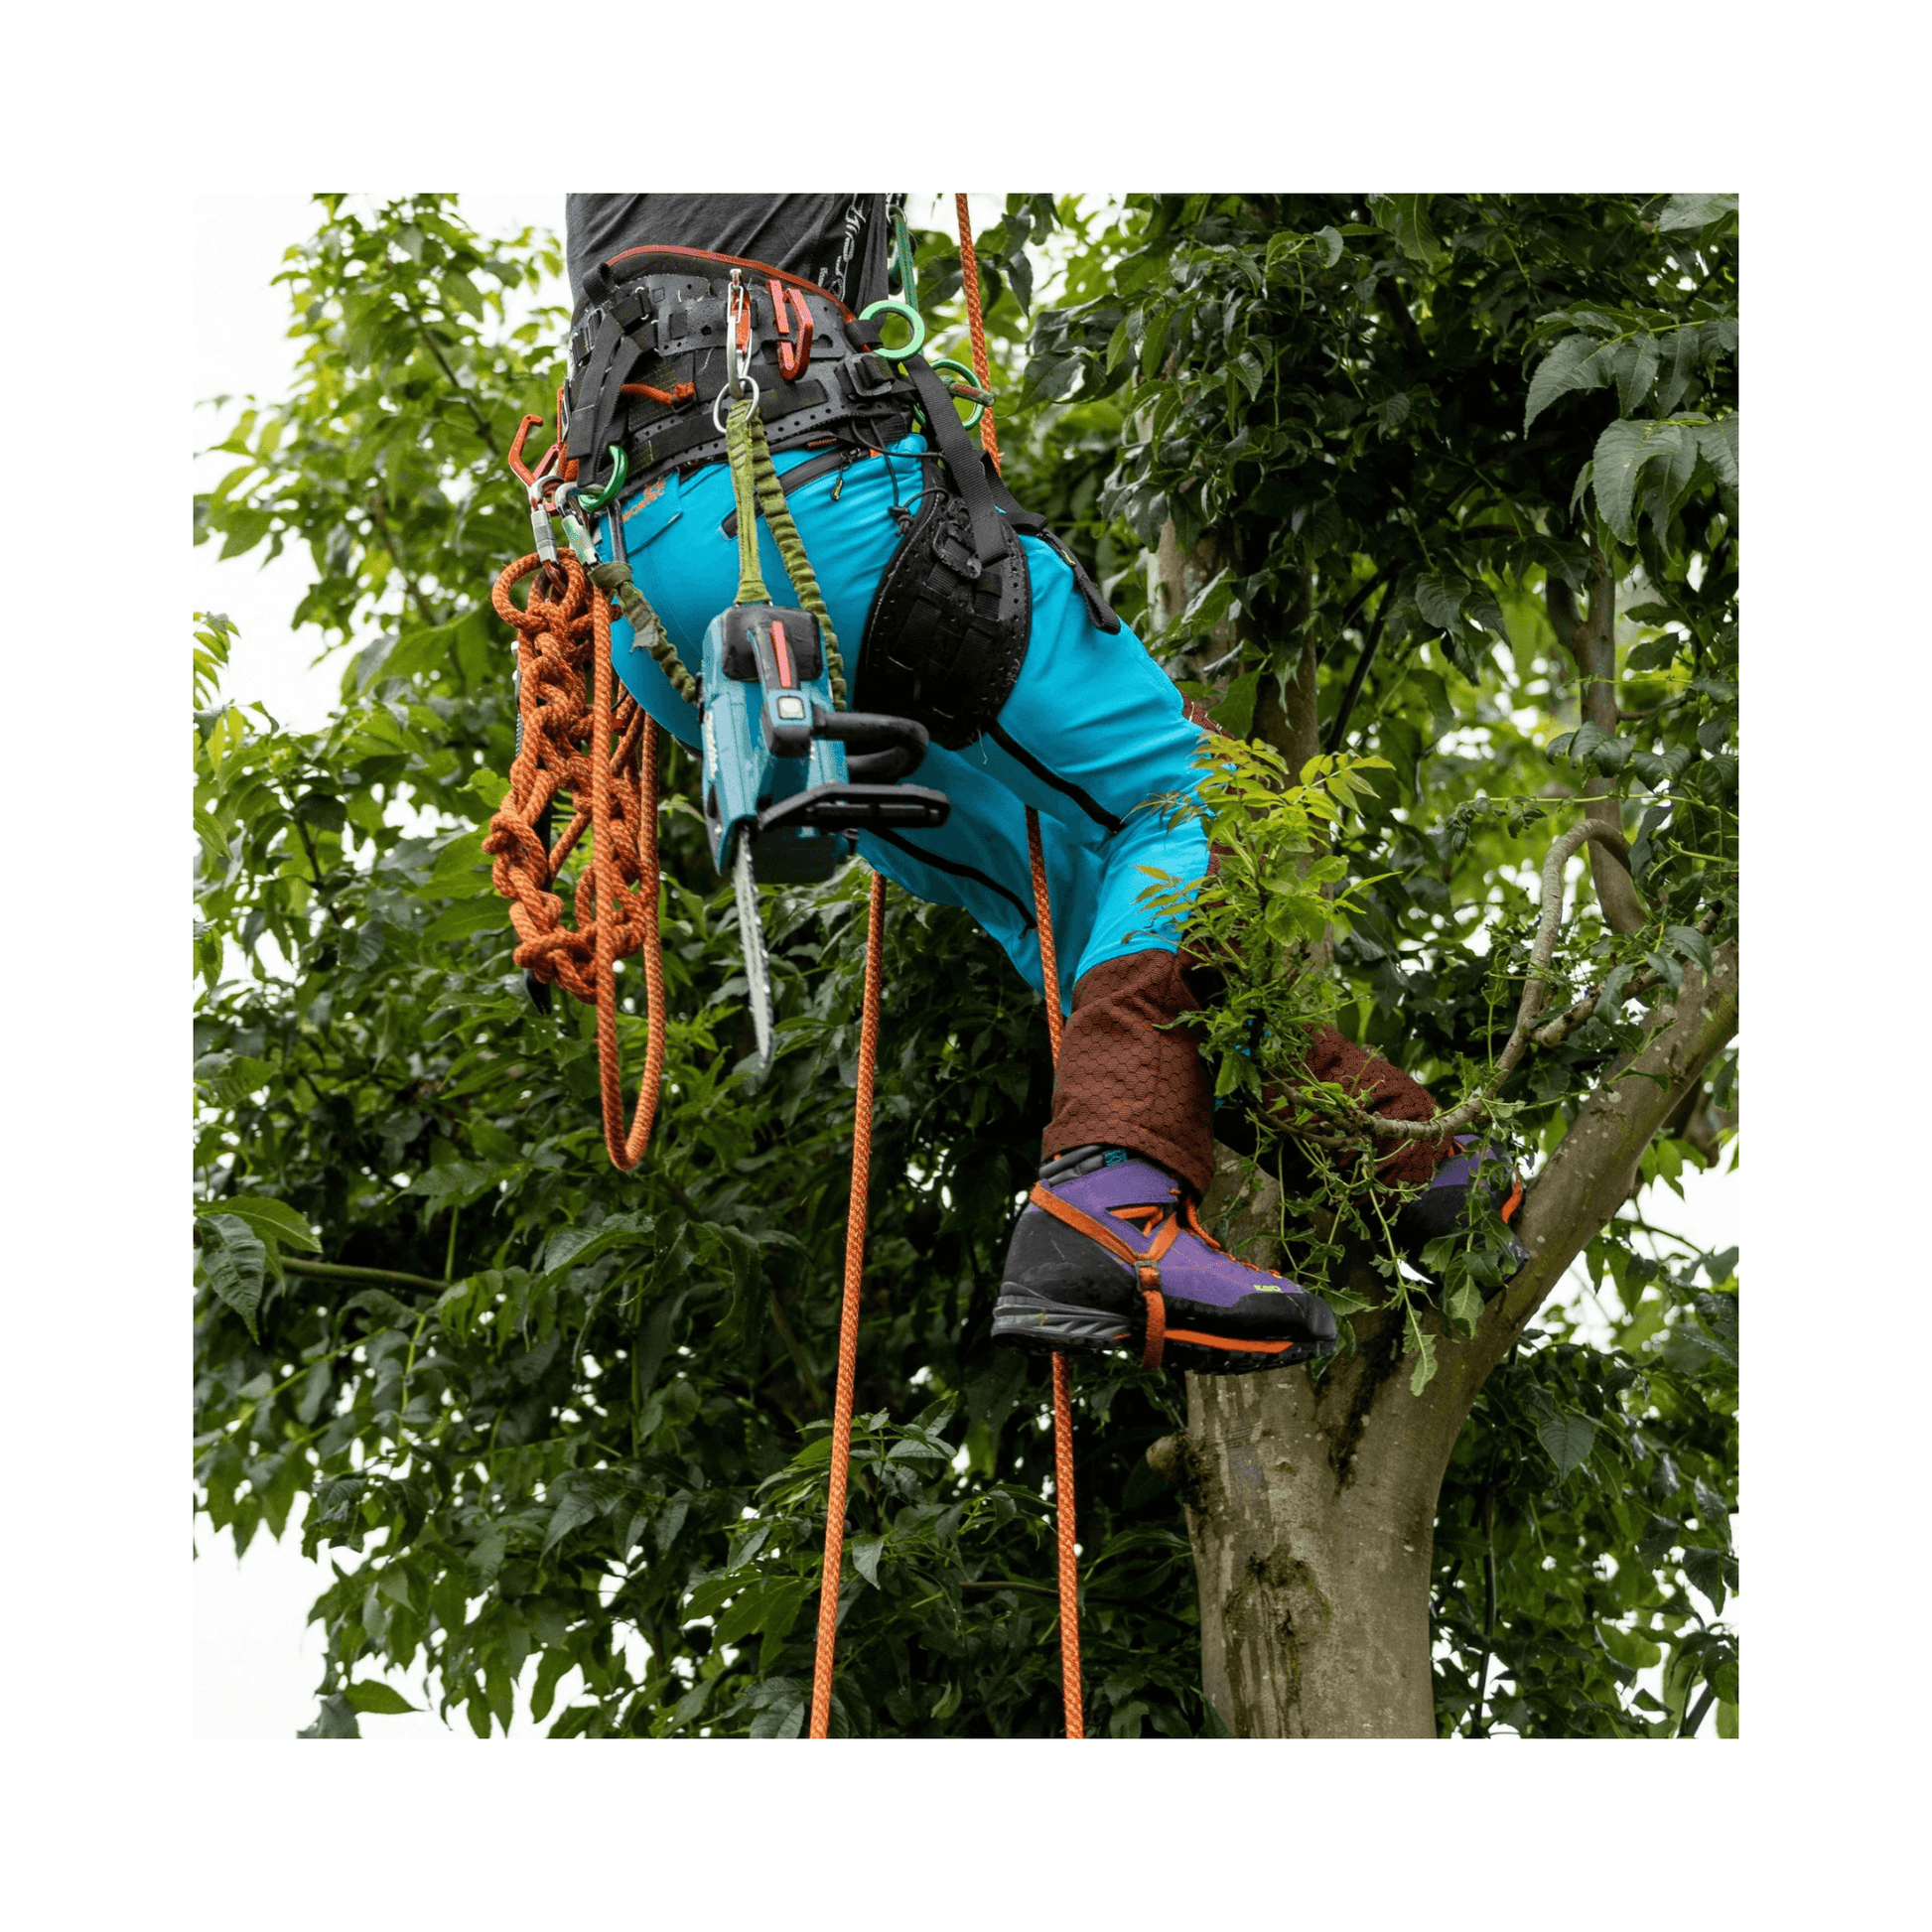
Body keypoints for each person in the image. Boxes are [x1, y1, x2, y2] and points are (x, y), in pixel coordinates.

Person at [558, 194, 1496, 1376]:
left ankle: (1410, 1168)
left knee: (1072, 879)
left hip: (656, 590)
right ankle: (1113, 1195)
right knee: (1183, 798)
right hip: (814, 497)